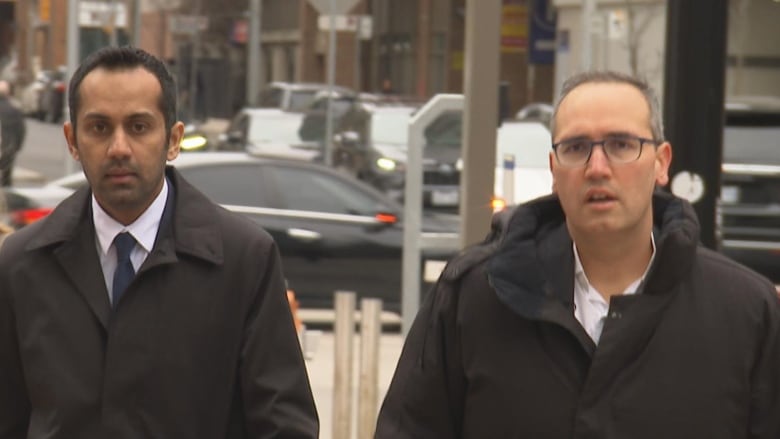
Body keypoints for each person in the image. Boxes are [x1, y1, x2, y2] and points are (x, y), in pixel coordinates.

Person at [375, 71, 780, 438]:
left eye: (622, 145)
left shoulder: (746, 312)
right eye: (576, 147)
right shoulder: (475, 297)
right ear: (553, 168)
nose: (597, 167)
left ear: (661, 163)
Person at [0, 46, 319, 438]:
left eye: (138, 127)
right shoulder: (21, 265)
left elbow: (284, 425)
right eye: (99, 127)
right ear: (72, 140)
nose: (119, 147)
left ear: (173, 139)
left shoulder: (243, 259)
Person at [0, 79, 26, 186]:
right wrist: (17, 146)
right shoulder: (14, 109)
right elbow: (21, 130)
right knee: (6, 177)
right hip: (9, 148)